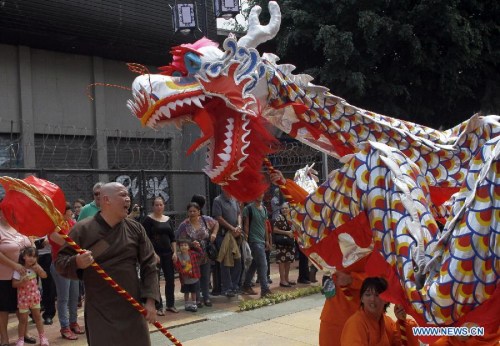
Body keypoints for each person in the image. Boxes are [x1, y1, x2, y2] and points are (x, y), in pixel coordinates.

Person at [55, 182, 159, 346]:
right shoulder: (83, 229)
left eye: (128, 195)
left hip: (131, 305)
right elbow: (60, 263)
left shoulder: (135, 228)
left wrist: (151, 301)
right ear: (106, 200)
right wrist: (77, 262)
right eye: (122, 195)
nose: (128, 199)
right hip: (100, 309)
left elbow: (150, 264)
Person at [340, 277, 419, 346]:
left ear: (386, 300)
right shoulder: (356, 323)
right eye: (368, 294)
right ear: (362, 299)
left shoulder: (388, 322)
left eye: (377, 295)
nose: (372, 299)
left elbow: (401, 342)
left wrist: (402, 320)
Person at [0, 208, 35, 346]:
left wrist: (31, 251)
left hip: (24, 275)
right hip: (4, 275)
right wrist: (15, 265)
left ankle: (24, 333)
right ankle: (4, 338)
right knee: (3, 308)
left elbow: (30, 243)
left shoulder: (20, 227)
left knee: (23, 306)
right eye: (3, 211)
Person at [48, 203, 83, 341]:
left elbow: (78, 240)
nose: (72, 213)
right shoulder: (53, 228)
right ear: (62, 213)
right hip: (60, 265)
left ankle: (73, 322)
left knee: (75, 295)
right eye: (69, 211)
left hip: (73, 263)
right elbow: (66, 243)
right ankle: (64, 327)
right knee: (63, 298)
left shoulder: (72, 223)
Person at [176, 202, 218, 306]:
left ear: (199, 212)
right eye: (190, 211)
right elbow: (179, 239)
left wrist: (214, 233)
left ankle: (206, 297)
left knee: (206, 276)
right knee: (195, 277)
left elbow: (216, 223)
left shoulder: (205, 219)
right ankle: (197, 299)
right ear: (187, 212)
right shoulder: (184, 225)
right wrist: (190, 243)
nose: (192, 213)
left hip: (205, 253)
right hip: (192, 256)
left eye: (194, 211)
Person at [142, 196, 178, 314]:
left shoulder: (168, 219)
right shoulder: (148, 220)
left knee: (170, 279)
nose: (159, 207)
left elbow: (172, 237)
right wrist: (153, 253)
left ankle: (170, 304)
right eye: (156, 205)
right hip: (155, 254)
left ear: (164, 206)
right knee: (155, 280)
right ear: (153, 206)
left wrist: (175, 252)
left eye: (161, 205)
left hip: (168, 253)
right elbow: (145, 239)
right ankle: (159, 306)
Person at [12, 246, 49, 346]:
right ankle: (20, 339)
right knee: (23, 320)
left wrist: (39, 270)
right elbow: (14, 284)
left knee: (37, 317)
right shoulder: (19, 269)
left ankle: (43, 337)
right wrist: (21, 282)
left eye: (34, 256)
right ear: (24, 256)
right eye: (29, 256)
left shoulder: (35, 267)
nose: (32, 258)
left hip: (34, 298)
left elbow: (45, 275)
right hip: (23, 299)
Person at [212, 191, 242, 298]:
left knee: (237, 260)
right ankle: (227, 288)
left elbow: (239, 213)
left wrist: (238, 226)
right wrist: (231, 228)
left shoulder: (234, 198)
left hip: (235, 235)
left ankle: (234, 285)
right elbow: (218, 218)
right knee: (225, 262)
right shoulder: (218, 200)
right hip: (224, 235)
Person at [242, 194, 272, 298]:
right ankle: (264, 289)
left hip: (262, 241)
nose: (260, 195)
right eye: (258, 193)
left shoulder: (264, 208)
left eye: (262, 193)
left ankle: (246, 285)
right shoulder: (248, 208)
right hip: (253, 241)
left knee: (254, 264)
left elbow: (265, 225)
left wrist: (267, 240)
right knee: (263, 264)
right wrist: (246, 240)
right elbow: (246, 225)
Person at [174, 238, 203, 312]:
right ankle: (186, 304)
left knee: (193, 292)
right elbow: (177, 267)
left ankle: (194, 304)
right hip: (185, 279)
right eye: (181, 245)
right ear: (179, 247)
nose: (183, 247)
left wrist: (197, 247)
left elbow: (201, 254)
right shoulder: (178, 256)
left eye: (185, 245)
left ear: (189, 246)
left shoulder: (192, 253)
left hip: (193, 277)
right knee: (186, 292)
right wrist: (182, 269)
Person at [272, 202, 296, 287]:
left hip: (289, 242)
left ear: (289, 209)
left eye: (286, 208)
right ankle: (282, 280)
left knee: (288, 261)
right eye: (283, 208)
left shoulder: (291, 218)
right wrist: (286, 232)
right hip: (281, 243)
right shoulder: (279, 218)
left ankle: (287, 279)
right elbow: (274, 230)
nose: (284, 210)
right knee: (282, 262)